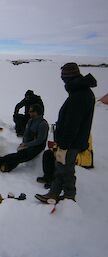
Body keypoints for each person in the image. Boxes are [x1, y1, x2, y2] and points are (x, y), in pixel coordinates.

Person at [35, 63, 96, 203]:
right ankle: (55, 193)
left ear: (68, 77)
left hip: (70, 142)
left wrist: (63, 144)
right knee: (62, 167)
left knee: (65, 169)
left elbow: (72, 124)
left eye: (63, 76)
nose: (62, 79)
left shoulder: (80, 95)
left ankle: (68, 196)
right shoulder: (81, 92)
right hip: (72, 140)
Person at [0, 104, 49, 172]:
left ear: (37, 112)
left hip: (36, 147)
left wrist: (27, 145)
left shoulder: (43, 124)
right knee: (19, 154)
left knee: (21, 156)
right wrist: (23, 143)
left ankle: (0, 160)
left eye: (31, 111)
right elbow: (26, 134)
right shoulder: (30, 121)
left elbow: (40, 140)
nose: (29, 113)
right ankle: (6, 167)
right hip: (28, 144)